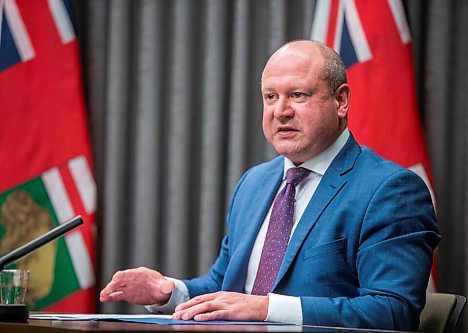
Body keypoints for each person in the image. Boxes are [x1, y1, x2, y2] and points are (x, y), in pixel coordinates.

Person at [100, 40, 441, 331]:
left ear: (341, 101)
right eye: (269, 97)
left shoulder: (390, 190)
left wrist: (266, 309)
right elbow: (225, 285)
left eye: (297, 95)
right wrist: (169, 291)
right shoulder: (255, 183)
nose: (280, 111)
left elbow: (392, 314)